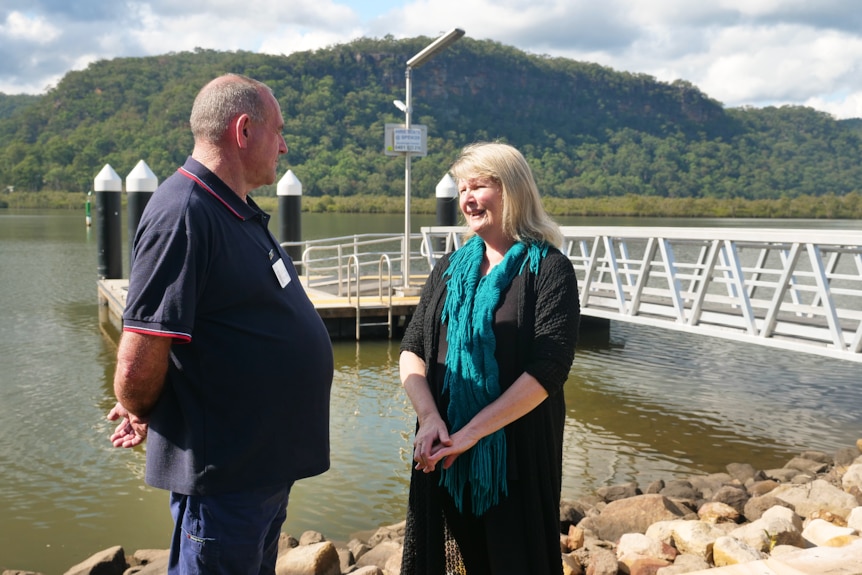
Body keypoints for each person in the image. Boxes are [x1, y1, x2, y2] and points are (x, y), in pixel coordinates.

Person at [106, 73, 333, 575]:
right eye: (278, 130)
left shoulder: (233, 210)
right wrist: (136, 404)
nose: (285, 143)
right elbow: (144, 344)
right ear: (244, 130)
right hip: (226, 478)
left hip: (260, 470)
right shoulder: (184, 212)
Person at [399, 142, 580, 574]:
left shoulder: (549, 270)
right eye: (463, 188)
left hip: (515, 458)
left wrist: (472, 435)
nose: (467, 198)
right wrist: (430, 419)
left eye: (479, 186)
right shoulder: (448, 268)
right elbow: (412, 350)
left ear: (512, 190)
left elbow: (548, 370)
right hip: (442, 451)